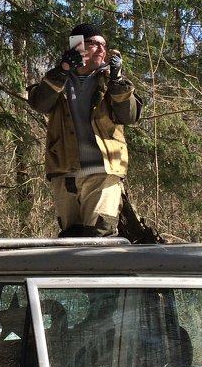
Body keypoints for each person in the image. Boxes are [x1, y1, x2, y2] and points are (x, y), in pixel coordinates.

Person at [28, 22, 142, 236]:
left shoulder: (111, 82)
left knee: (101, 238)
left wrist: (117, 79)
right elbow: (39, 103)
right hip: (65, 172)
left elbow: (129, 115)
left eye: (104, 45)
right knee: (70, 238)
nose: (102, 49)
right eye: (94, 43)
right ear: (77, 45)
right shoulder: (56, 80)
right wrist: (62, 71)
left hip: (104, 172)